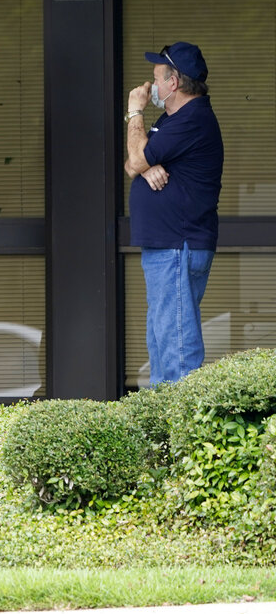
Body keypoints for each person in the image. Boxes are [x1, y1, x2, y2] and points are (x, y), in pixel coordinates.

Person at [124, 42, 223, 386]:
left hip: (177, 244)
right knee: (162, 337)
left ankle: (183, 431)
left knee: (176, 343)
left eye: (156, 78)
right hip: (167, 245)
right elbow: (132, 164)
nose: (149, 87)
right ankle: (164, 429)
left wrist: (134, 112)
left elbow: (136, 158)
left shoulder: (193, 119)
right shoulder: (172, 119)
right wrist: (146, 166)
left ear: (174, 82)